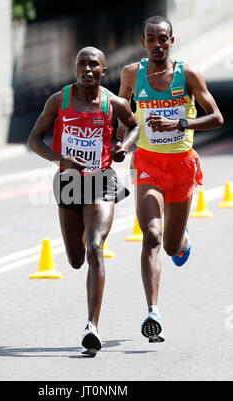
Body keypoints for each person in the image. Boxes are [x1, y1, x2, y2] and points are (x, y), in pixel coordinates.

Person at [28, 46, 140, 356]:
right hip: (68, 183)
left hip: (101, 180)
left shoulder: (113, 103)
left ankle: (92, 326)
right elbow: (34, 139)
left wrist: (124, 148)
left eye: (94, 65)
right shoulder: (58, 101)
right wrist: (60, 158)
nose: (87, 69)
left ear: (104, 71)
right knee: (76, 259)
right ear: (75, 68)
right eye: (82, 64)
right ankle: (81, 237)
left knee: (95, 247)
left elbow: (134, 126)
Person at [118, 16, 224, 342]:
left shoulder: (187, 75)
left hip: (182, 165)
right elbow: (122, 112)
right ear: (143, 43)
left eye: (163, 39)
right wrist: (119, 143)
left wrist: (182, 126)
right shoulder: (132, 75)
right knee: (150, 234)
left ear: (172, 40)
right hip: (148, 163)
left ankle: (183, 240)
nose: (157, 45)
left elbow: (217, 117)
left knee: (171, 245)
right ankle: (153, 311)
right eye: (151, 39)